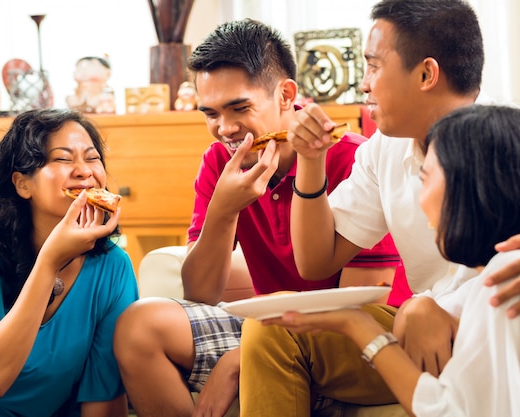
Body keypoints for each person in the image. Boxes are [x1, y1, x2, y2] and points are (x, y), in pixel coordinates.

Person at [239, 0, 520, 415]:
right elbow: (314, 263)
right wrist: (310, 162)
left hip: (493, 319)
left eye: (374, 66)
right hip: (424, 325)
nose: (364, 84)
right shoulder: (386, 147)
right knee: (274, 331)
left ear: (426, 73)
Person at [113, 19, 405, 417]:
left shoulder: (352, 157)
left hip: (352, 334)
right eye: (211, 113)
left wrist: (240, 356)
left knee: (270, 336)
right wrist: (223, 208)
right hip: (269, 322)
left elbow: (362, 302)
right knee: (137, 325)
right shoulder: (220, 161)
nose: (225, 128)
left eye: (240, 108)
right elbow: (200, 293)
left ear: (285, 95)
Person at [263, 104, 520, 416]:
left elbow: (449, 410)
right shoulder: (498, 275)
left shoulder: (508, 281)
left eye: (426, 178)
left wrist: (359, 326)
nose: (419, 198)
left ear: (472, 189)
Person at [0, 109, 139, 417]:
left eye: (92, 158)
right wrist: (50, 262)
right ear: (22, 184)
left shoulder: (113, 266)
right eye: (63, 159)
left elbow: (103, 395)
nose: (84, 171)